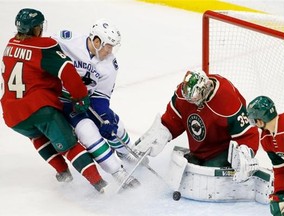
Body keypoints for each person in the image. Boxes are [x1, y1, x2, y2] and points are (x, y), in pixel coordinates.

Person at [1, 8, 107, 193]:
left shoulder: (10, 44)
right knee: (69, 145)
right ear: (36, 28)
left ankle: (63, 172)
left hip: (12, 115)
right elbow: (68, 72)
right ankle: (100, 185)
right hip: (40, 109)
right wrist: (80, 96)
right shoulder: (44, 46)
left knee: (37, 136)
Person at [133, 69, 266, 201]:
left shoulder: (226, 99)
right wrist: (162, 131)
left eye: (194, 98)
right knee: (188, 168)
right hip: (198, 150)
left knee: (208, 172)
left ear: (205, 89)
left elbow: (247, 134)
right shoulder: (184, 94)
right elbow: (174, 118)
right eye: (188, 98)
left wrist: (245, 153)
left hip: (221, 152)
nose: (190, 102)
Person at [51, 19, 140, 188]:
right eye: (108, 46)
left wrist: (105, 118)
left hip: (87, 101)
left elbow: (101, 97)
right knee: (88, 132)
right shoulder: (67, 41)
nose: (110, 51)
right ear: (97, 41)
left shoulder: (110, 65)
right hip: (61, 101)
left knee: (113, 122)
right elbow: (43, 50)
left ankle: (127, 151)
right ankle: (118, 173)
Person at [247, 96, 284, 216]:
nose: (254, 125)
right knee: (277, 207)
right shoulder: (265, 139)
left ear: (259, 120)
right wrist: (280, 192)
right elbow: (280, 170)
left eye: (253, 121)